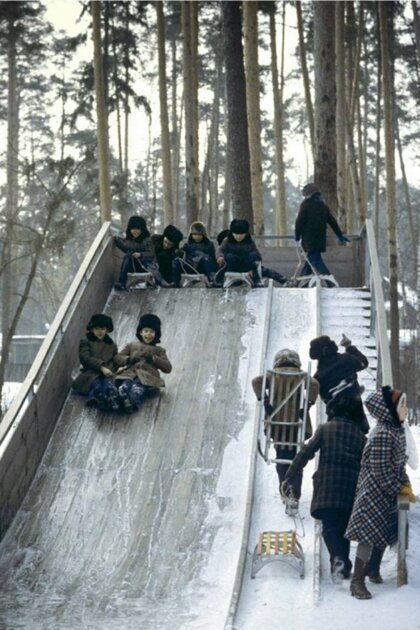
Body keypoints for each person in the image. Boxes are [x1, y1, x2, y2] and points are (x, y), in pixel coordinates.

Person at [283, 396, 367, 582]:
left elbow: (306, 452)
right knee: (344, 527)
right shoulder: (361, 437)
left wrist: (290, 475)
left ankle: (338, 559)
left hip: (327, 484)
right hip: (350, 486)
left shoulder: (326, 429)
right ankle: (342, 567)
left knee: (329, 526)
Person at [345, 387, 416, 600]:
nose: (405, 408)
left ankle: (373, 569)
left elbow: (398, 464)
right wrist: (398, 488)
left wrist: (405, 484)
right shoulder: (383, 434)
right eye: (402, 404)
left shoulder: (396, 430)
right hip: (373, 494)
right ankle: (357, 580)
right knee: (367, 538)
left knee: (385, 532)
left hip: (386, 493)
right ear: (389, 410)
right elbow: (381, 470)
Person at [252, 348, 319, 513]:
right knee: (296, 459)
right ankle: (294, 494)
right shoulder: (302, 376)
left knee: (281, 457)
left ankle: (284, 489)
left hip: (277, 425)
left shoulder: (272, 375)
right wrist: (307, 405)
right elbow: (315, 385)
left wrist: (265, 400)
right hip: (297, 425)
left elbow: (256, 382)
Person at [309, 333, 369, 434]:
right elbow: (363, 362)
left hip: (335, 423)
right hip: (357, 417)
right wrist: (349, 347)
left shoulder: (319, 377)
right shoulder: (346, 359)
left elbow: (326, 399)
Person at [114, 314, 172, 413]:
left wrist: (154, 359)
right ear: (140, 332)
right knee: (126, 383)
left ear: (156, 334)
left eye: (152, 332)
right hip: (130, 373)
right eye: (146, 331)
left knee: (138, 387)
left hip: (147, 376)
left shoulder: (159, 350)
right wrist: (129, 359)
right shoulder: (132, 345)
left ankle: (131, 402)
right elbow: (117, 358)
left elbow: (168, 368)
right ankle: (120, 395)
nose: (148, 334)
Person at [295, 183, 350, 277]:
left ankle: (330, 281)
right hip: (320, 239)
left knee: (315, 260)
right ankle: (301, 283)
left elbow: (299, 221)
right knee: (310, 261)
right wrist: (339, 235)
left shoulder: (305, 204)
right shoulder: (323, 205)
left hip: (309, 239)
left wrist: (297, 235)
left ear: (308, 194)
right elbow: (332, 221)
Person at [73, 313, 120, 412]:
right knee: (96, 384)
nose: (99, 332)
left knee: (109, 385)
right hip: (91, 372)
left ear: (107, 330)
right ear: (92, 329)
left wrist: (121, 365)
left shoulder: (111, 344)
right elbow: (85, 358)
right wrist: (101, 367)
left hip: (108, 373)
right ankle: (96, 398)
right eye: (96, 329)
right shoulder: (86, 341)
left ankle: (111, 400)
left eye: (102, 329)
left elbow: (115, 358)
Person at [216, 229, 289, 287]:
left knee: (264, 270)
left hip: (245, 266)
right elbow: (220, 254)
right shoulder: (225, 248)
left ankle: (285, 280)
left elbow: (256, 256)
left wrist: (253, 267)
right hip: (232, 269)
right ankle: (284, 280)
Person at [113, 215, 159, 289]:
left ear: (142, 229)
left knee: (130, 256)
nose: (135, 231)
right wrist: (117, 241)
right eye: (133, 229)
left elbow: (151, 253)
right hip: (135, 266)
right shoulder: (130, 240)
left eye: (138, 229)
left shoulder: (146, 240)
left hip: (146, 265)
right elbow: (126, 248)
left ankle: (152, 281)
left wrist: (141, 254)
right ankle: (121, 282)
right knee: (128, 256)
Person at [216, 219, 264, 287]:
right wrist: (220, 256)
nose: (238, 236)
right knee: (229, 256)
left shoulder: (249, 242)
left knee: (254, 255)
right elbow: (220, 250)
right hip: (232, 265)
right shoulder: (227, 241)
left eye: (241, 234)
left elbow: (256, 253)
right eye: (236, 234)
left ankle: (256, 279)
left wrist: (257, 260)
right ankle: (220, 280)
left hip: (245, 264)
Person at [173, 221, 217, 286]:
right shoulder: (188, 244)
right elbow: (181, 253)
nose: (197, 237)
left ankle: (211, 281)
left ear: (203, 235)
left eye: (199, 235)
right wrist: (179, 252)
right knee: (177, 261)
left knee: (206, 258)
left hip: (202, 267)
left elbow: (213, 260)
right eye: (195, 234)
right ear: (191, 234)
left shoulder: (209, 245)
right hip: (190, 266)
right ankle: (175, 282)